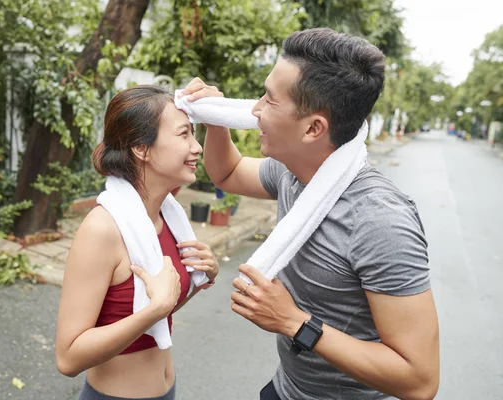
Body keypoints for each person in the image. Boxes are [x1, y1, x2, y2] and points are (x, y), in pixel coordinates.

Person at [180, 28, 440, 400]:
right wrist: (215, 119)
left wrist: (294, 322)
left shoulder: (379, 221)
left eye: (269, 100)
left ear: (314, 128)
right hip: (288, 388)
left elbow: (420, 380)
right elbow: (228, 173)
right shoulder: (296, 172)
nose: (254, 110)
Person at [55, 85, 219, 400]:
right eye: (184, 134)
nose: (196, 147)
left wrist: (202, 278)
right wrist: (153, 310)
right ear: (140, 149)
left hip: (167, 391)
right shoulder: (103, 229)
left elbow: (163, 303)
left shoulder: (167, 215)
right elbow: (68, 358)